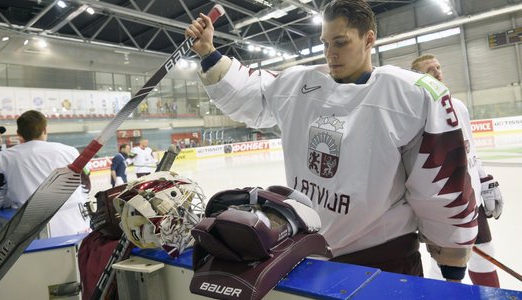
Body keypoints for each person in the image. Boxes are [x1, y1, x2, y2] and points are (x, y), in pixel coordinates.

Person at [186, 0, 478, 280]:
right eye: (326, 43)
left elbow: (437, 183)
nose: (330, 53)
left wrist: (451, 254)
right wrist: (208, 52)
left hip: (385, 256)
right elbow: (252, 93)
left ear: (369, 39)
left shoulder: (407, 94)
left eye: (341, 42)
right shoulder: (300, 84)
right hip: (310, 252)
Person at [411, 54, 503, 287]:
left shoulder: (458, 106)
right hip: (441, 205)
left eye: (439, 67)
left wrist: (485, 180)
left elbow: (471, 151)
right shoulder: (415, 113)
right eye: (429, 70)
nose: (437, 72)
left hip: (471, 198)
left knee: (485, 252)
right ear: (417, 78)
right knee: (444, 265)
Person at [0, 110, 90, 237]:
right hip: (76, 225)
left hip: (32, 233)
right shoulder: (70, 151)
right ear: (45, 130)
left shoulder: (4, 157)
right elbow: (85, 188)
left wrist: (12, 201)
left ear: (19, 133)